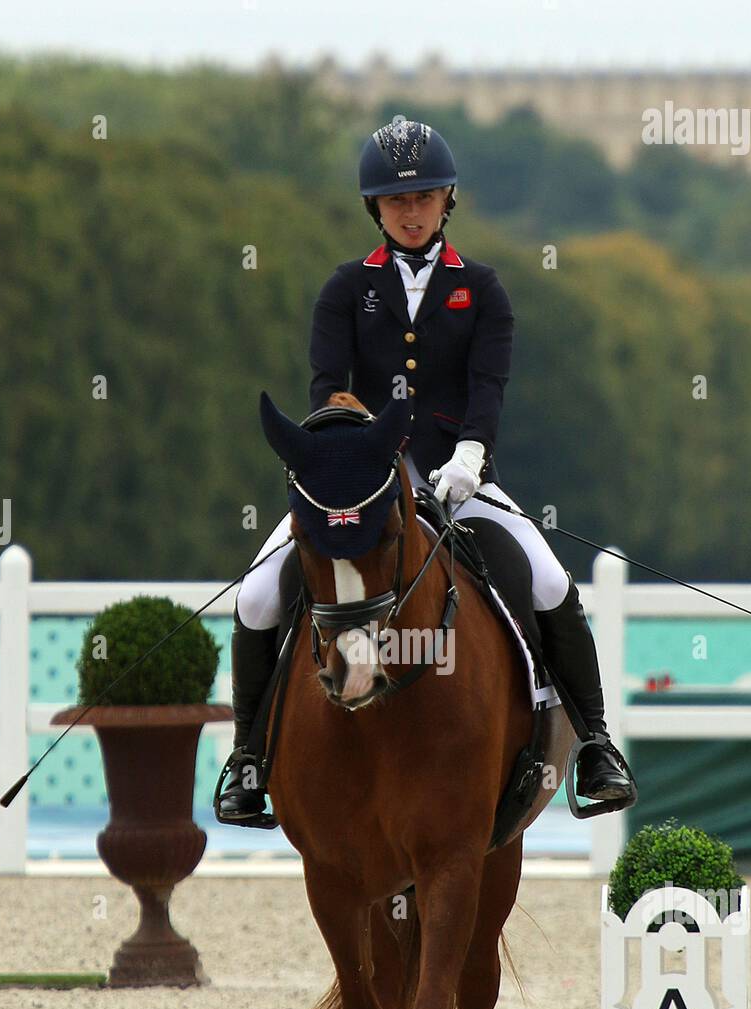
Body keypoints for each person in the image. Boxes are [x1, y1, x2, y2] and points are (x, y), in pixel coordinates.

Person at [217, 114, 634, 824]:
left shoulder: (483, 289)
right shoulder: (346, 290)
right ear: (375, 209)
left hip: (458, 478)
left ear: (447, 200)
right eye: (396, 201)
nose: (411, 212)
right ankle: (249, 757)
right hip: (362, 484)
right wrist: (358, 466)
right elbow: (328, 394)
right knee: (258, 595)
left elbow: (488, 388)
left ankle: (595, 745)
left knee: (547, 579)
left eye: (424, 198)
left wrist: (471, 454)